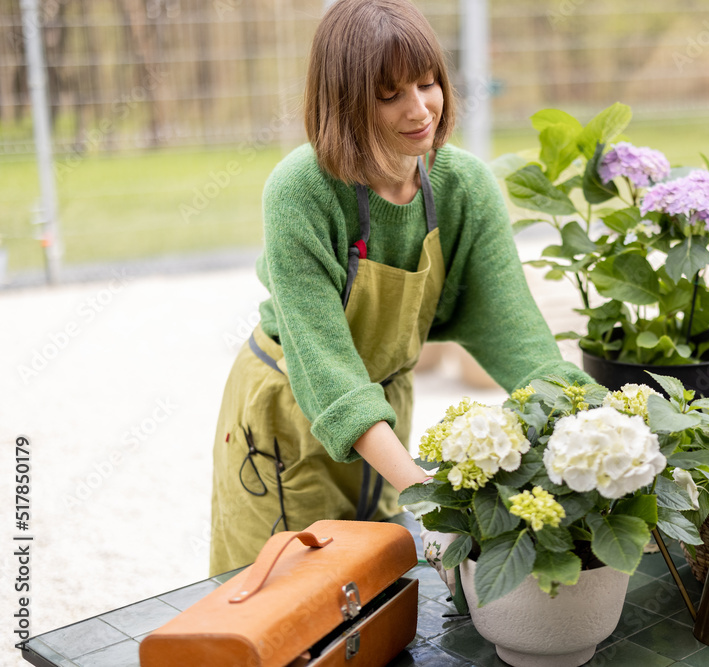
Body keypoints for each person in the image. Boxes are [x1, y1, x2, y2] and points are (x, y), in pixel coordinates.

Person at [209, 0, 590, 577]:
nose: (419, 110)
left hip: (385, 406)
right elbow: (328, 371)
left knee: (376, 584)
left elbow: (518, 334)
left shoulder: (462, 187)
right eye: (389, 94)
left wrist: (601, 423)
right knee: (285, 593)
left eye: (428, 82)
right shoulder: (301, 192)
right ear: (343, 101)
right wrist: (434, 495)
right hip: (291, 414)